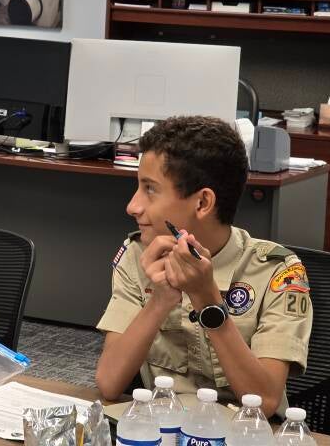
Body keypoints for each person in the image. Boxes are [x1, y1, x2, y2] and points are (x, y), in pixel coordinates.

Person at [95, 116, 311, 417]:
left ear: (202, 203)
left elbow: (264, 402)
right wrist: (160, 299)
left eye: (150, 189)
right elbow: (108, 383)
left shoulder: (278, 272)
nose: (133, 206)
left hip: (245, 433)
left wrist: (207, 301)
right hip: (160, 427)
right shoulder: (137, 255)